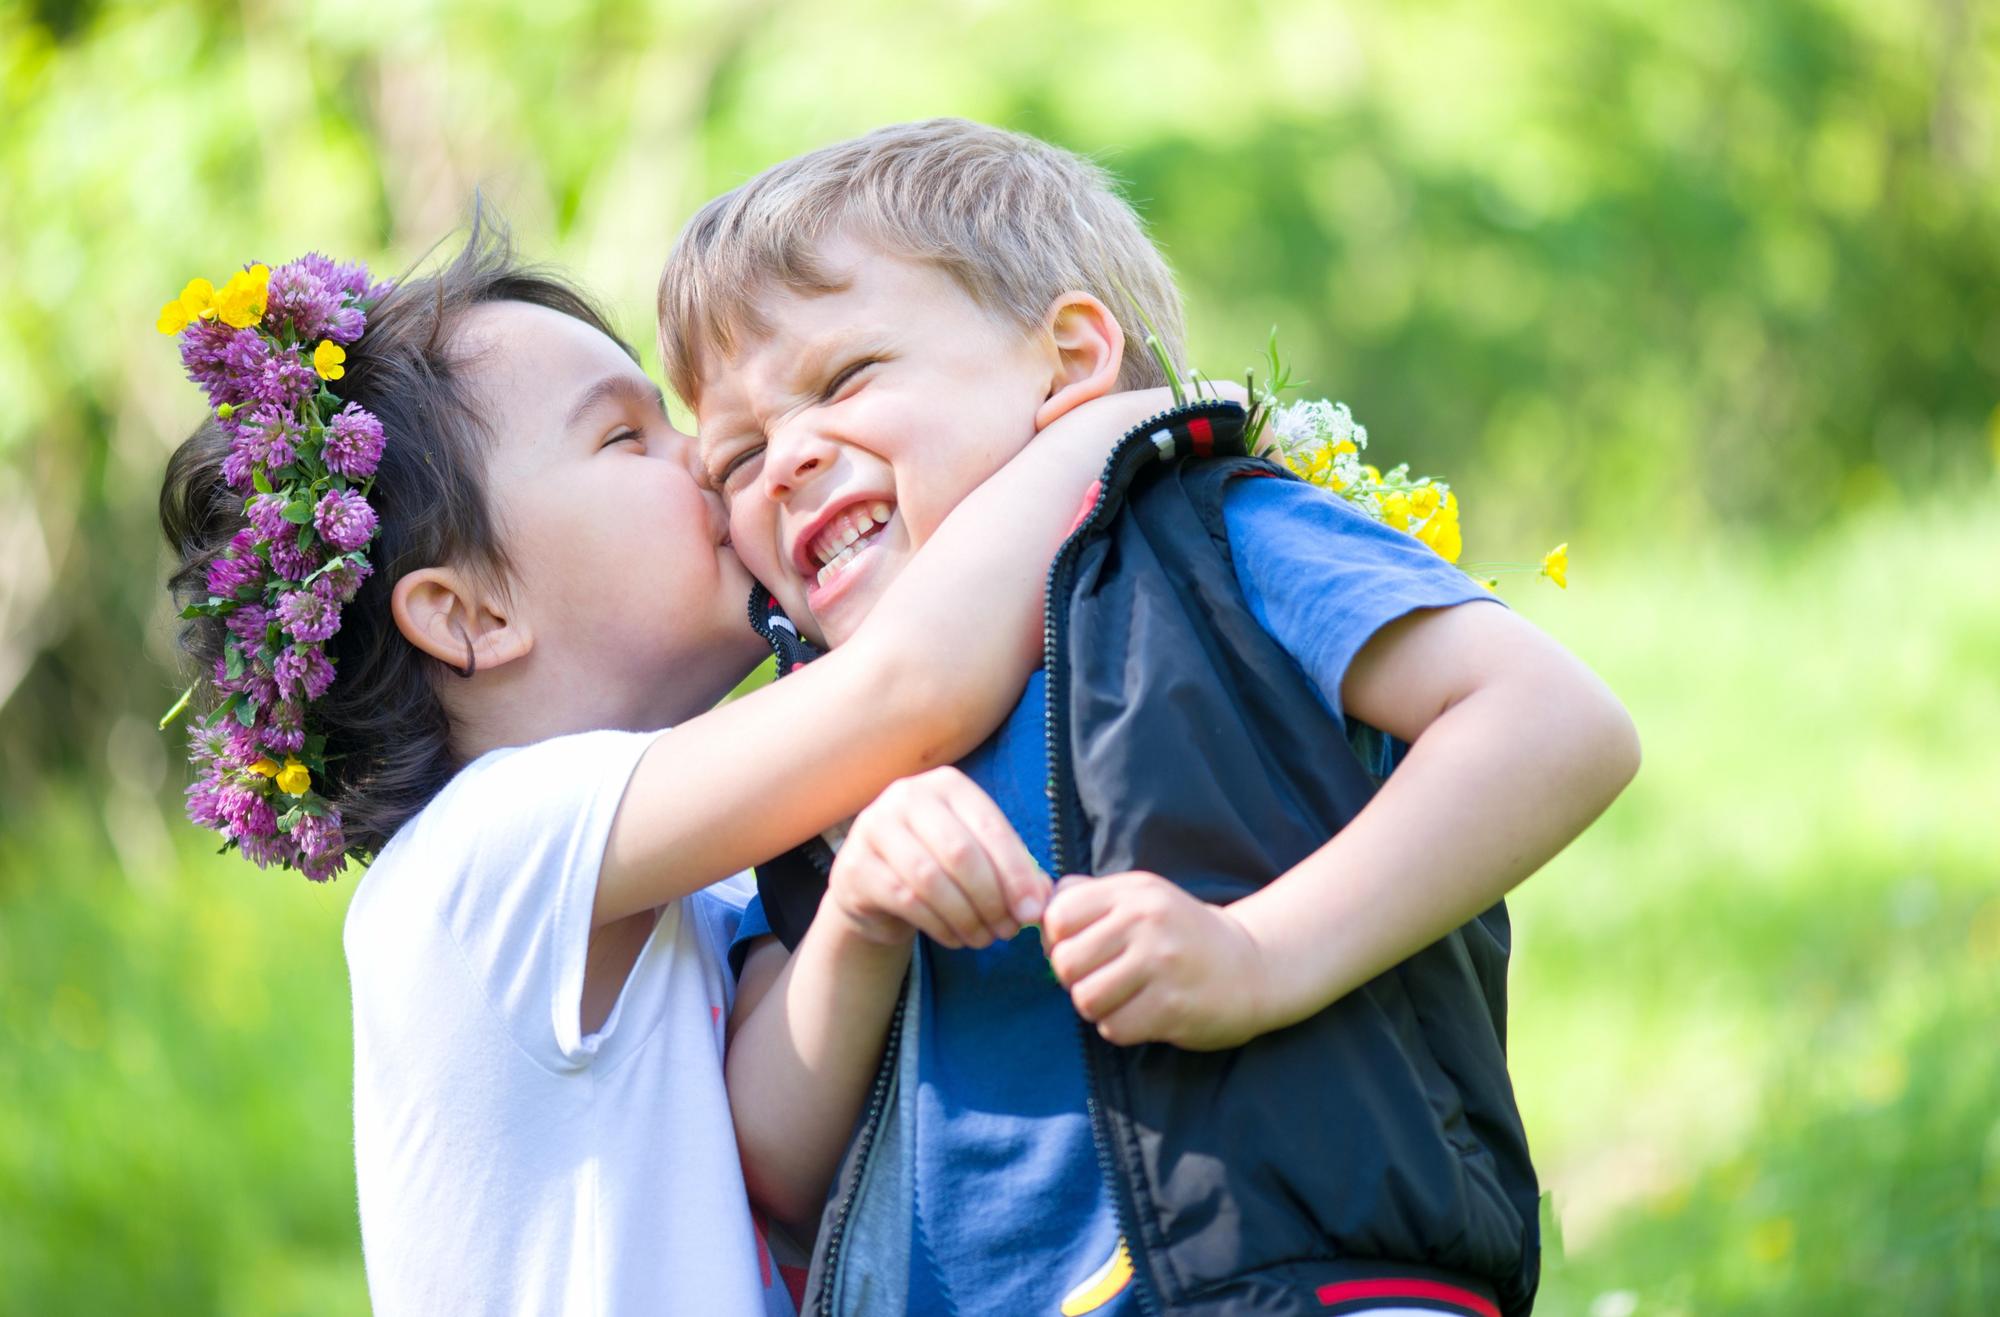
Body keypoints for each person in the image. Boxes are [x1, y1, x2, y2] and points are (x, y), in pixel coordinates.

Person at [659, 119, 1642, 1316]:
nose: (786, 462)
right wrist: (855, 921)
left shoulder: (1200, 540)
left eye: (843, 380)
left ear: (1069, 362)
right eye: (735, 458)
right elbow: (771, 1167)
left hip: (1288, 1274)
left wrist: (1258, 953)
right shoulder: (823, 750)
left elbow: (1553, 722)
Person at [155, 212, 1176, 1315]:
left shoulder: (692, 886)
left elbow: (786, 1166)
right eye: (625, 439)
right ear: (469, 615)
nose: (708, 456)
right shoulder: (474, 862)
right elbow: (909, 688)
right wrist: (1126, 425)